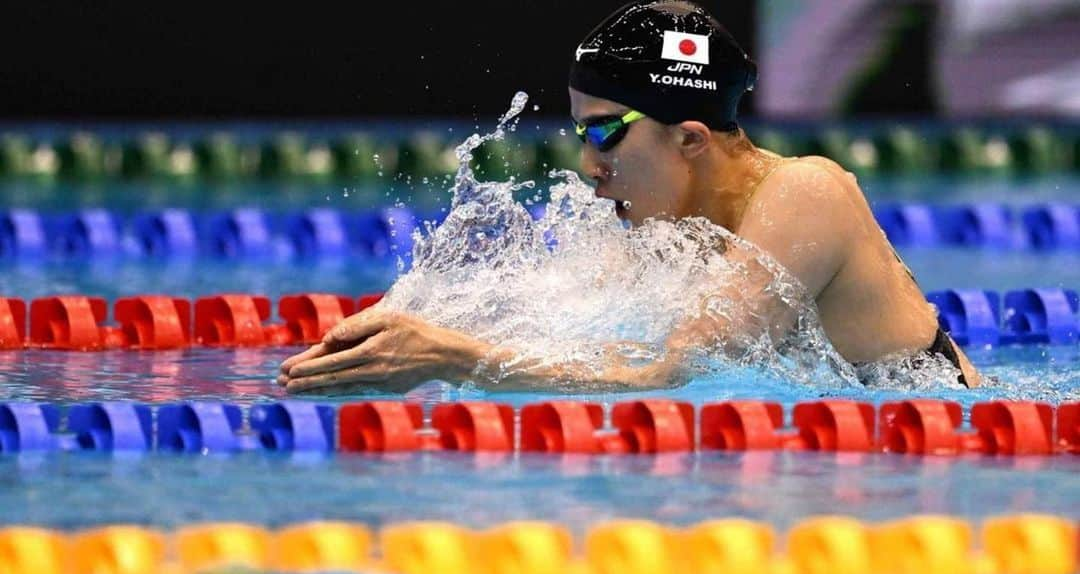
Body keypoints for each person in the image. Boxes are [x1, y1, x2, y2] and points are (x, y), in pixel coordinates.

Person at [279, 0, 979, 394]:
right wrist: (414, 327)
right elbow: (584, 344)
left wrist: (452, 357)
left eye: (606, 133)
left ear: (692, 140)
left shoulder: (806, 193)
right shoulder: (667, 229)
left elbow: (668, 375)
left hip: (946, 458)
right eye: (581, 134)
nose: (589, 166)